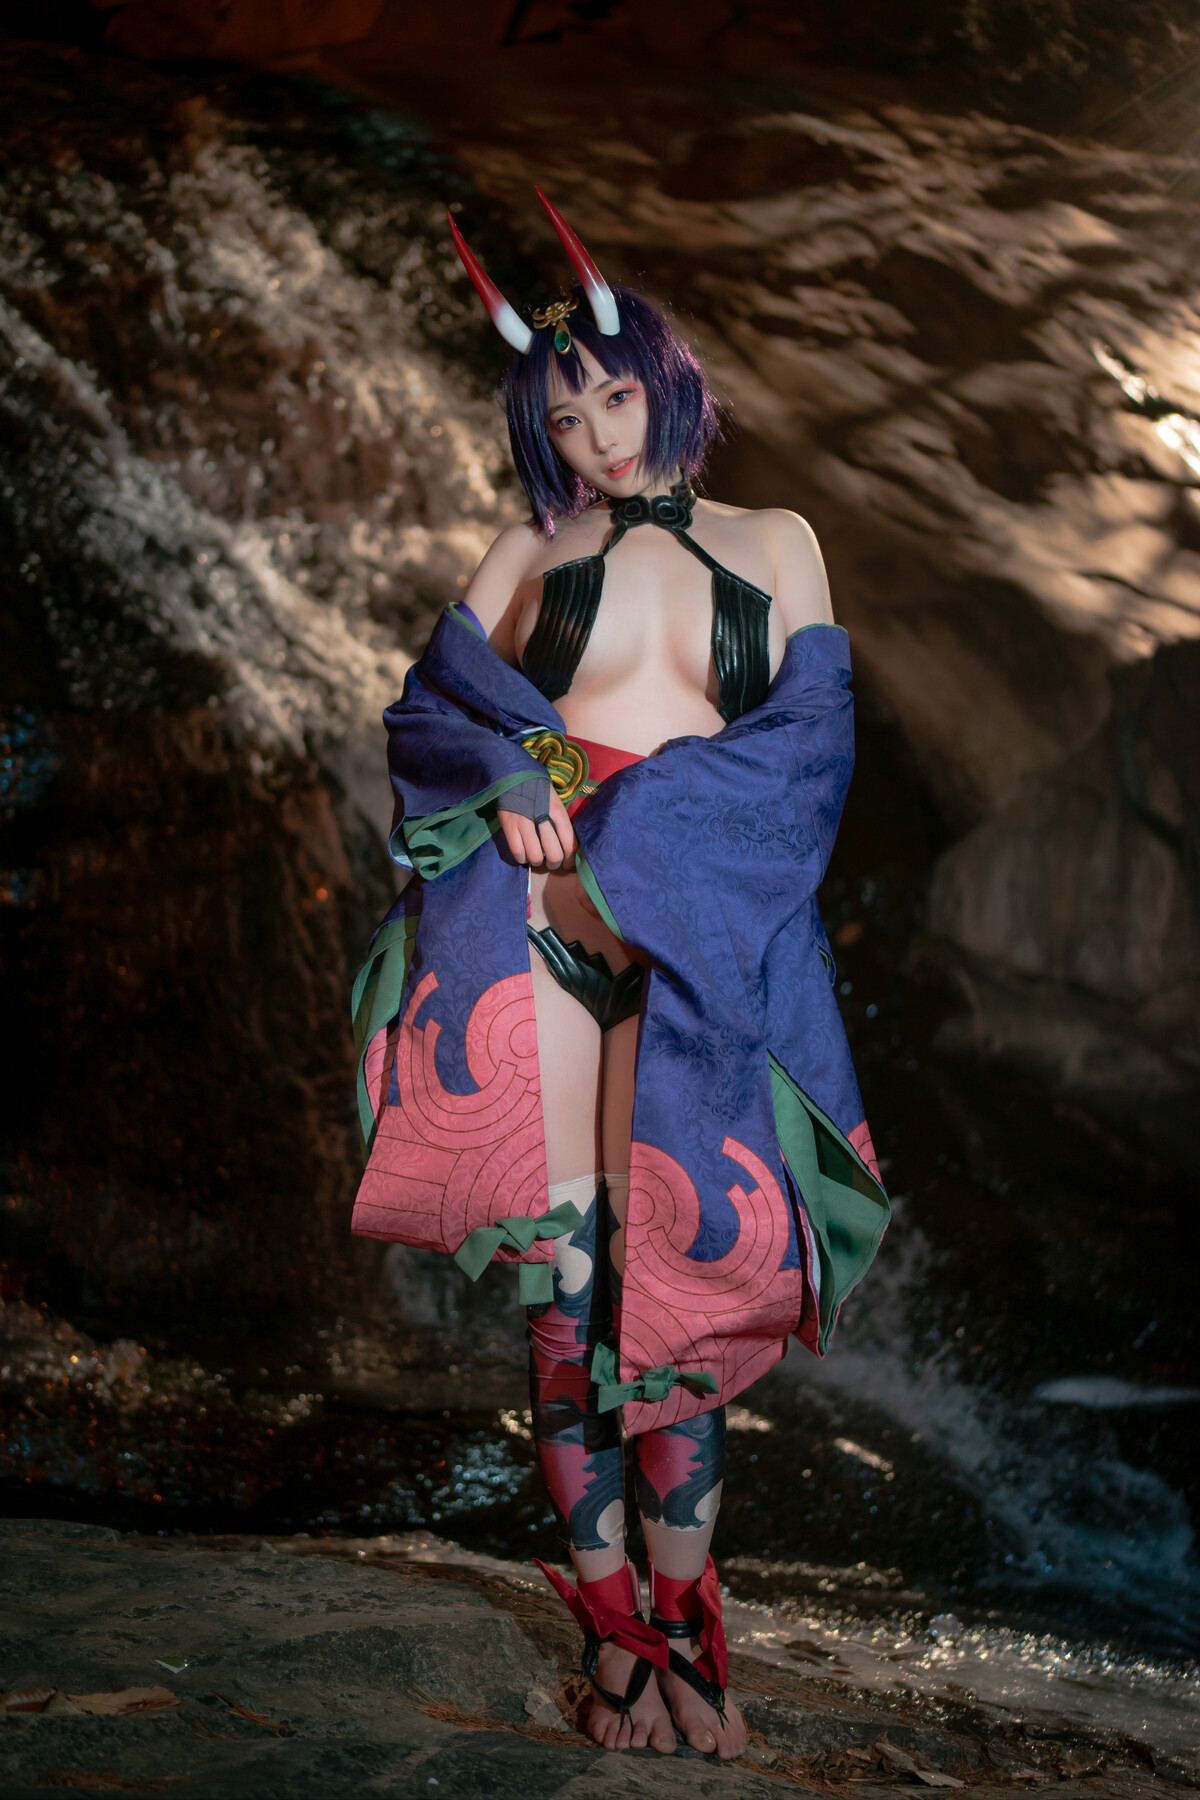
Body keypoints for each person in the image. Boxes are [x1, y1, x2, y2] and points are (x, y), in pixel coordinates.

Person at [350, 191, 889, 1760]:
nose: (592, 432)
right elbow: (430, 711)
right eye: (562, 416)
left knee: (681, 1296)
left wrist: (634, 822)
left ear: (662, 371)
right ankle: (612, 1644)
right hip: (542, 943)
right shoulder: (531, 543)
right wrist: (510, 780)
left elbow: (812, 748)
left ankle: (693, 1627)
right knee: (573, 1290)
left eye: (608, 392)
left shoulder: (779, 541)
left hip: (700, 942)